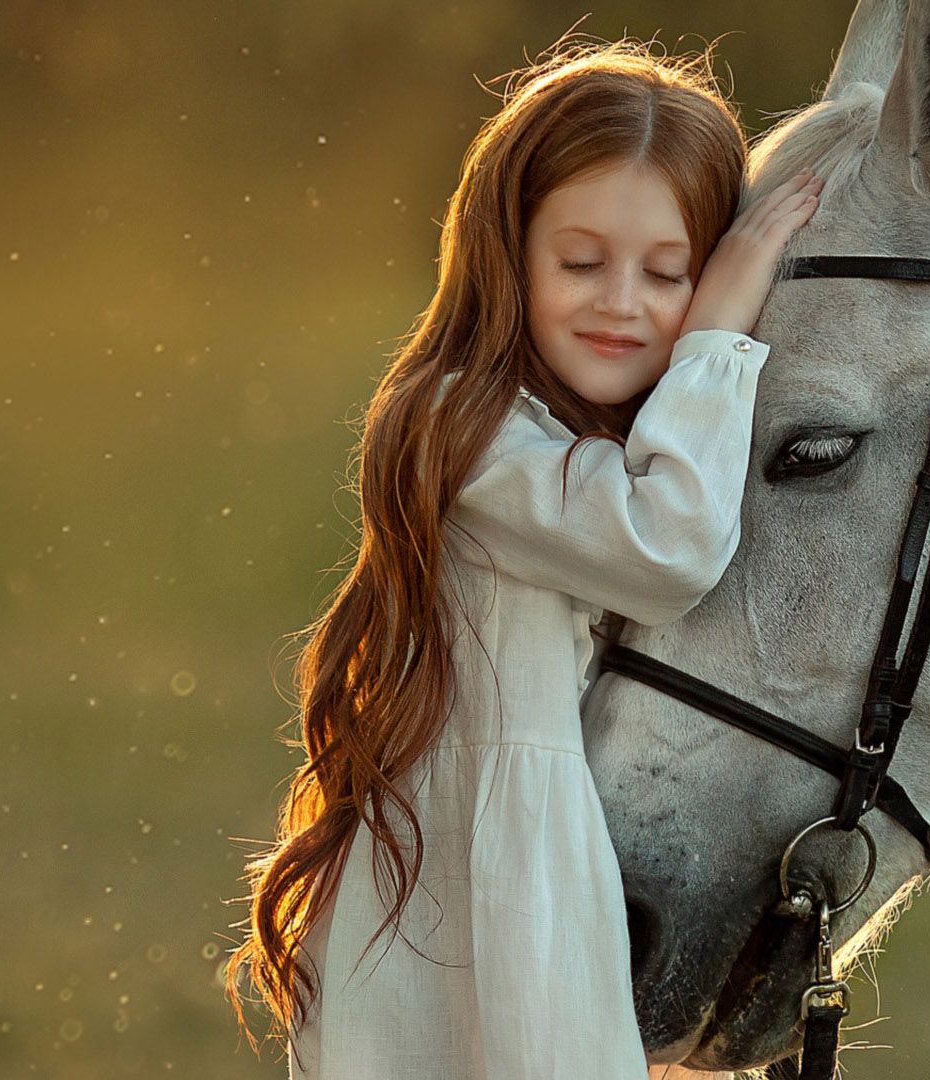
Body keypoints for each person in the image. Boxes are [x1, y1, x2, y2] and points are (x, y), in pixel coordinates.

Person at [221, 37, 821, 1079]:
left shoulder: (632, 438)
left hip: (542, 864)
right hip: (476, 881)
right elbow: (667, 551)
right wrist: (716, 331)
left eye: (670, 273)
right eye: (581, 262)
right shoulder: (464, 430)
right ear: (508, 251)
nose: (622, 302)